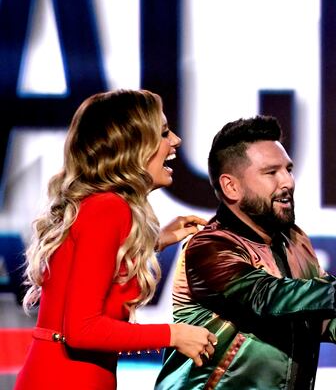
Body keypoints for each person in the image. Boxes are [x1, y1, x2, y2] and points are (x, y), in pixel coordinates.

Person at [155, 115, 336, 390]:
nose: (287, 181)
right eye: (271, 172)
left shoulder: (295, 241)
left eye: (288, 169)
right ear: (231, 186)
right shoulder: (208, 247)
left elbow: (321, 320)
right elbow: (269, 297)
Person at [15, 90, 218, 390]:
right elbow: (83, 329)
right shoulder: (109, 209)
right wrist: (173, 335)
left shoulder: (99, 206)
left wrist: (155, 241)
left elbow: (91, 264)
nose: (175, 141)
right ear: (132, 146)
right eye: (163, 133)